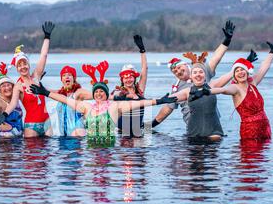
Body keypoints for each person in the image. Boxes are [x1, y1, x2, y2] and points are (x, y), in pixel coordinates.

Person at [29, 61, 177, 145]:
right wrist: (46, 93)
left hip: (109, 148)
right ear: (93, 95)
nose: (99, 94)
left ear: (106, 95)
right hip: (91, 148)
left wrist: (159, 101)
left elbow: (140, 103)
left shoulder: (115, 107)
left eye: (102, 92)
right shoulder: (87, 107)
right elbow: (65, 99)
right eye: (96, 92)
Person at [150, 20, 236, 128]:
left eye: (179, 67)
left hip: (212, 124)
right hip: (193, 127)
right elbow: (167, 109)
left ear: (186, 65)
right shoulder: (177, 88)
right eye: (175, 71)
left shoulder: (201, 72)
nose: (178, 71)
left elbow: (216, 58)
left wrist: (227, 40)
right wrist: (149, 126)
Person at [203, 42, 273, 141]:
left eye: (242, 69)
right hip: (250, 131)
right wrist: (207, 91)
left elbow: (264, 68)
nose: (240, 72)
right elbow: (222, 89)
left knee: (264, 155)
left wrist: (272, 52)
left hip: (265, 127)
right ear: (234, 76)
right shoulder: (235, 88)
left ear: (247, 71)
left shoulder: (252, 83)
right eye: (237, 71)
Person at [0, 21, 55, 137]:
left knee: (48, 154)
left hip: (47, 123)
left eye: (25, 64)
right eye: (19, 65)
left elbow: (43, 55)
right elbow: (13, 103)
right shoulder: (18, 86)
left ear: (28, 65)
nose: (23, 67)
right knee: (31, 154)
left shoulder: (36, 76)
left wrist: (47, 37)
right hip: (31, 126)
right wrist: (4, 114)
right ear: (17, 68)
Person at [111, 35, 148, 138]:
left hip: (138, 131)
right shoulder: (118, 92)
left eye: (130, 77)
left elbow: (145, 70)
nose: (128, 80)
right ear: (122, 80)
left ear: (134, 78)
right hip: (122, 133)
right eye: (125, 78)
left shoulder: (140, 90)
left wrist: (142, 51)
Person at [53, 65, 92, 136]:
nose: (67, 77)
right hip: (63, 137)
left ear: (74, 78)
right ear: (61, 79)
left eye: (69, 75)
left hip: (77, 136)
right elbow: (44, 91)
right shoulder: (59, 94)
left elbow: (96, 95)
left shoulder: (78, 93)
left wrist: (116, 96)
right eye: (64, 75)